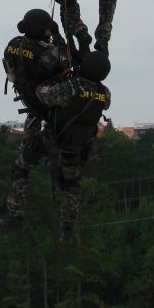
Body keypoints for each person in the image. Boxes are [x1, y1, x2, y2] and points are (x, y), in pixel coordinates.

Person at [2, 9, 69, 227]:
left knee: (22, 165)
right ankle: (66, 218)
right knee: (63, 163)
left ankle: (14, 215)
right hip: (49, 109)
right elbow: (67, 60)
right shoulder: (47, 53)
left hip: (31, 106)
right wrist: (58, 36)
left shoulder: (13, 44)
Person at [36, 49, 111, 242]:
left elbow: (42, 94)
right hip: (79, 149)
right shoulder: (105, 94)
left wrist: (56, 79)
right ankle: (67, 228)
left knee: (24, 164)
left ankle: (16, 213)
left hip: (54, 142)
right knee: (72, 185)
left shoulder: (71, 88)